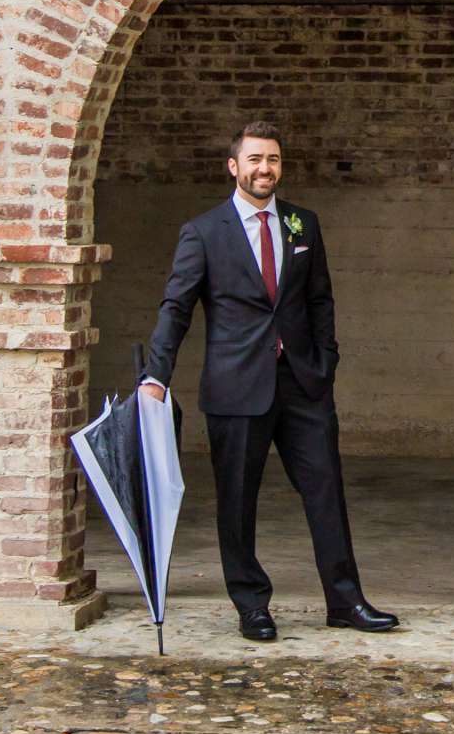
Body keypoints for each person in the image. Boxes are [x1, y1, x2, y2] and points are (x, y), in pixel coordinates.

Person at [140, 121, 397, 641]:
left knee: (326, 490)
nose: (265, 169)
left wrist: (327, 363)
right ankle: (251, 604)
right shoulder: (204, 232)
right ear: (234, 167)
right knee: (238, 500)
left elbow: (320, 299)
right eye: (255, 159)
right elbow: (176, 309)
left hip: (302, 383)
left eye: (273, 160)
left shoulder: (304, 224)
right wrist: (155, 375)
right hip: (236, 388)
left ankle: (345, 600)